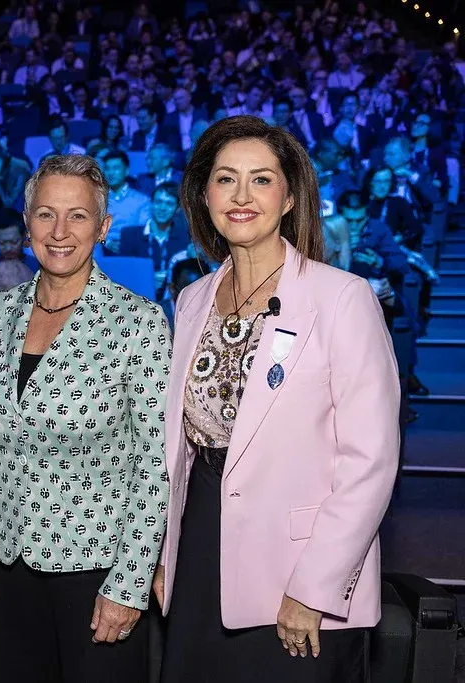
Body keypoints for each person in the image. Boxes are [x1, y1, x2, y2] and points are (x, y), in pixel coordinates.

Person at [156, 115, 400, 683]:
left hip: (297, 568)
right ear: (203, 193)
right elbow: (179, 450)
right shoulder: (192, 299)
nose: (242, 197)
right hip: (200, 552)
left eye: (261, 180)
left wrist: (313, 588)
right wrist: (165, 555)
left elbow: (371, 462)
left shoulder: (341, 298)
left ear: (290, 196)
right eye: (226, 179)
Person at [0, 155, 171, 683]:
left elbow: (156, 467)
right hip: (3, 562)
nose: (60, 231)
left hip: (97, 568)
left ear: (103, 228)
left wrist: (129, 584)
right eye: (46, 214)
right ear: (26, 224)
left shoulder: (138, 322)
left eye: (78, 216)